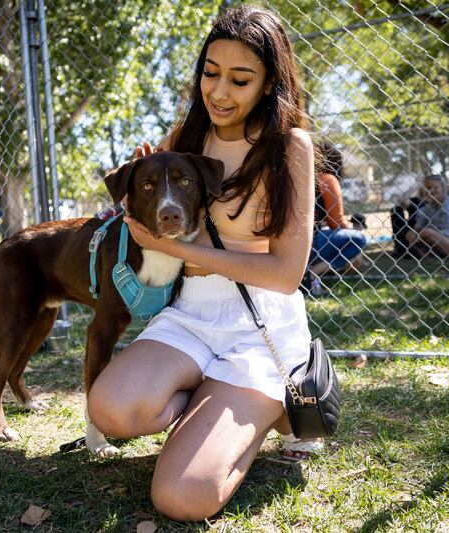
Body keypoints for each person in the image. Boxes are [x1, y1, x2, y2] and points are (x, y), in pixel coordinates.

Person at [87, 7, 319, 521]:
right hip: (191, 313)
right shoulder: (187, 138)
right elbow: (148, 206)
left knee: (180, 498)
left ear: (269, 84)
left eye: (240, 79)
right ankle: (207, 403)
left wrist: (180, 250)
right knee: (109, 410)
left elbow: (285, 275)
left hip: (258, 322)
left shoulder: (289, 148)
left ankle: (266, 410)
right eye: (210, 73)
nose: (218, 92)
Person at [305, 140, 366, 297]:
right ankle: (312, 274)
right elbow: (336, 222)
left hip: (286, 243)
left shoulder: (295, 175)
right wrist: (352, 228)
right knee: (357, 239)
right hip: (309, 243)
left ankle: (309, 272)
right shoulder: (326, 179)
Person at [404, 174, 449, 260]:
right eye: (428, 188)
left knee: (427, 232)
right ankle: (422, 253)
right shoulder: (428, 207)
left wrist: (421, 236)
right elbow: (418, 226)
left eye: (435, 188)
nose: (431, 191)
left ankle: (423, 252)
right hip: (442, 241)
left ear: (443, 189)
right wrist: (414, 233)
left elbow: (448, 233)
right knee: (410, 233)